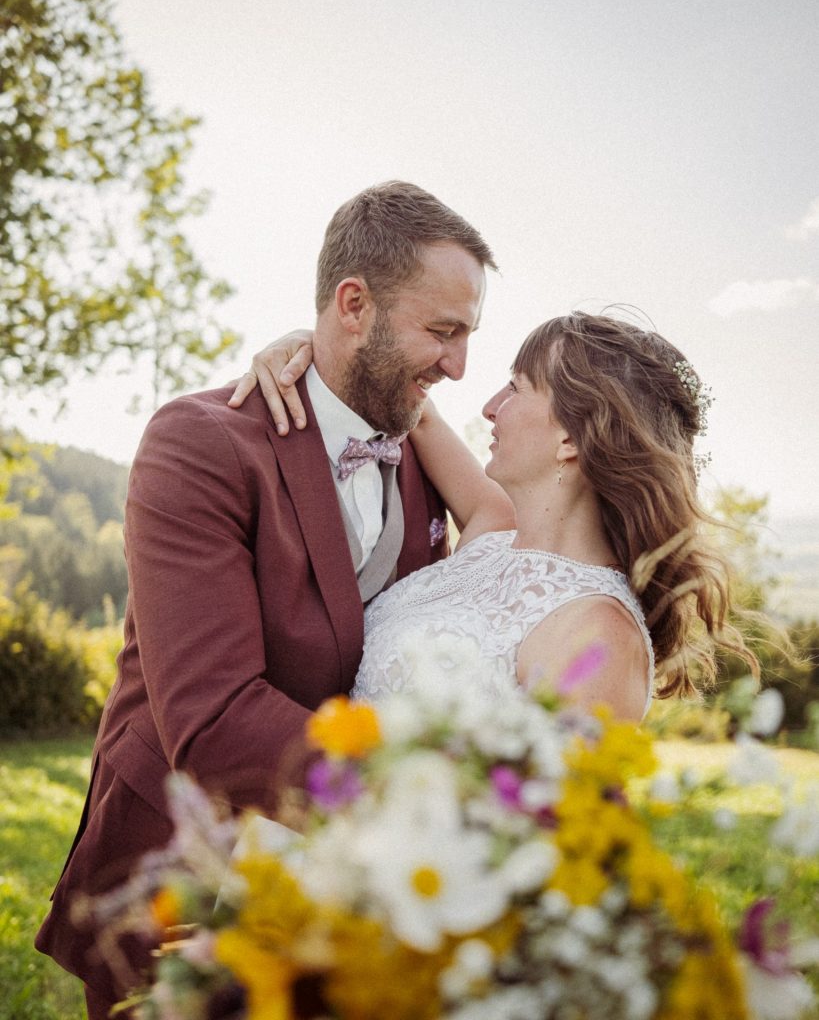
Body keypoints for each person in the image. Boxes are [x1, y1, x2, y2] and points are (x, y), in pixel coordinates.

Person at [35, 181, 501, 1020]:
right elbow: (210, 719)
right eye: (443, 332)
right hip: (178, 873)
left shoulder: (425, 461)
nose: (459, 367)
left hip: (329, 890)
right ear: (351, 304)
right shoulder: (201, 444)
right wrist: (423, 805)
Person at [238, 311, 758, 717]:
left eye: (517, 387)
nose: (489, 405)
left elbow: (546, 838)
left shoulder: (599, 635)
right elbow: (417, 414)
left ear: (572, 438)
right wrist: (311, 344)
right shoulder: (492, 533)